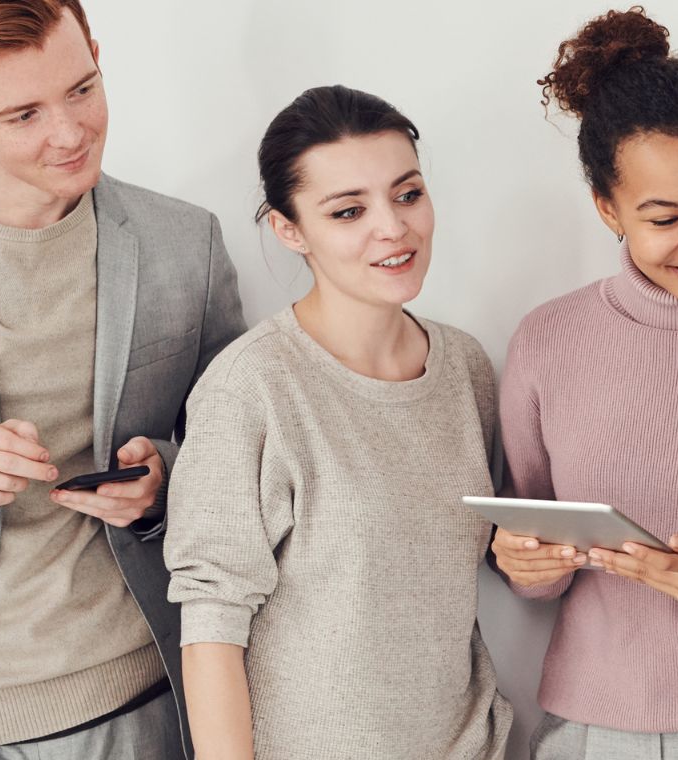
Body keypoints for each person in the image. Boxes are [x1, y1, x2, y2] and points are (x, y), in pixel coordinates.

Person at [0, 0, 245, 756]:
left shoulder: (187, 243)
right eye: (24, 114)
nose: (70, 131)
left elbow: (243, 454)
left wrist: (164, 480)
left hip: (138, 699)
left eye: (82, 89)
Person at [162, 86, 510, 760]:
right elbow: (210, 628)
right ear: (289, 230)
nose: (393, 227)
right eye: (349, 211)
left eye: (407, 194)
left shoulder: (466, 368)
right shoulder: (250, 388)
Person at [486, 8, 678, 759]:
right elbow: (535, 562)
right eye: (665, 217)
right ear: (607, 208)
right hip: (594, 732)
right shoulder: (548, 342)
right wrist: (523, 561)